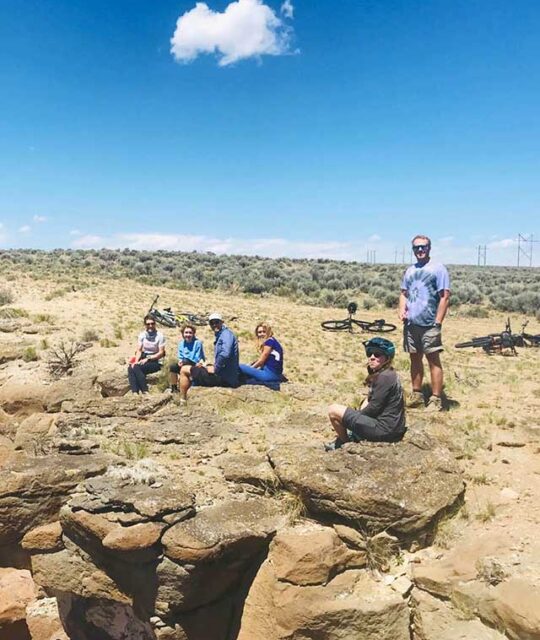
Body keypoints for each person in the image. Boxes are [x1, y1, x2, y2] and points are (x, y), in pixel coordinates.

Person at [398, 235, 450, 412]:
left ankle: (436, 399)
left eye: (423, 247)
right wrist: (402, 310)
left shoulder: (438, 268)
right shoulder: (410, 270)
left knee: (433, 360)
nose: (420, 250)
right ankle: (417, 395)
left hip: (429, 324)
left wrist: (438, 322)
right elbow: (404, 293)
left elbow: (444, 296)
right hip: (411, 324)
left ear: (429, 248)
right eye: (416, 248)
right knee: (414, 358)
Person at [325, 337, 406, 450]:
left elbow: (373, 408)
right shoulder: (388, 373)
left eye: (377, 354)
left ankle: (345, 443)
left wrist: (352, 421)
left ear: (387, 358)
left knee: (333, 410)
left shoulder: (384, 377)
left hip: (384, 430)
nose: (372, 357)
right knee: (364, 401)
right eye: (369, 354)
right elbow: (371, 401)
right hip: (392, 428)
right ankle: (354, 436)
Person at [178, 312, 239, 405]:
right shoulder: (222, 334)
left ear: (222, 322)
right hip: (226, 374)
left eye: (217, 322)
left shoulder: (226, 335)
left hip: (224, 377)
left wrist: (216, 368)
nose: (214, 325)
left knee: (184, 369)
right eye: (212, 323)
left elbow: (225, 354)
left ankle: (183, 400)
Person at [127, 315, 166, 394]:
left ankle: (145, 390)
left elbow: (161, 352)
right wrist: (136, 361)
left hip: (155, 360)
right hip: (144, 356)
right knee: (131, 367)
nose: (150, 326)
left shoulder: (160, 336)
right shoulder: (142, 335)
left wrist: (148, 359)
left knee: (137, 368)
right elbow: (139, 350)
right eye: (148, 324)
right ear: (145, 325)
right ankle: (135, 392)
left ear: (155, 324)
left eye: (152, 324)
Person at [239, 322, 284, 389]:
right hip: (274, 374)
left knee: (239, 366)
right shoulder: (273, 341)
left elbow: (261, 361)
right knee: (247, 368)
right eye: (259, 332)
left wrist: (250, 369)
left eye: (264, 332)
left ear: (268, 332)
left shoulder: (269, 342)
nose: (261, 334)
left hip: (270, 375)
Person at [167, 325, 205, 394]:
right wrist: (180, 361)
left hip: (194, 363)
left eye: (190, 333)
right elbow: (180, 356)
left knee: (185, 361)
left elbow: (197, 357)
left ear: (193, 334)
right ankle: (174, 387)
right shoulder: (181, 344)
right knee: (172, 367)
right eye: (186, 333)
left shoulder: (198, 343)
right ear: (183, 334)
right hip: (184, 362)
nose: (188, 335)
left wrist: (184, 362)